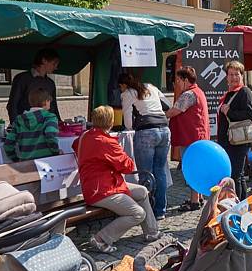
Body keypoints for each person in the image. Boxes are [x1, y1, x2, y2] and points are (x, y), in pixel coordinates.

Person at [74, 106, 160, 253]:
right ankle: (101, 238)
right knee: (138, 213)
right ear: (111, 121)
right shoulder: (105, 142)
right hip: (103, 190)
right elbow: (127, 166)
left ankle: (152, 231)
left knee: (142, 191)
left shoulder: (86, 136)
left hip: (98, 185)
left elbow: (75, 145)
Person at [119, 72, 170, 220]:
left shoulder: (128, 93)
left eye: (120, 87)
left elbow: (128, 122)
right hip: (164, 130)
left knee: (146, 173)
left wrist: (131, 127)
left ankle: (147, 212)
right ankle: (160, 210)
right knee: (160, 170)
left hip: (146, 131)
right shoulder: (151, 87)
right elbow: (167, 104)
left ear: (124, 85)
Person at [166, 67, 209, 212]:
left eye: (178, 80)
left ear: (185, 80)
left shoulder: (188, 95)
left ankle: (194, 201)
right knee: (199, 167)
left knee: (192, 169)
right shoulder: (199, 91)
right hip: (199, 136)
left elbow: (173, 112)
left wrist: (157, 114)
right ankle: (200, 197)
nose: (177, 83)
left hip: (191, 138)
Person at [217, 61, 252, 199]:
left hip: (239, 142)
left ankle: (236, 206)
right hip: (229, 141)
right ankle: (243, 204)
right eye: (231, 74)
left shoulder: (244, 92)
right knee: (238, 175)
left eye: (237, 74)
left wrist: (230, 112)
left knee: (235, 175)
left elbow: (251, 115)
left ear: (242, 76)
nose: (234, 77)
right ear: (226, 77)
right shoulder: (229, 94)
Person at [6, 48, 61, 124]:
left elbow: (53, 106)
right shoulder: (22, 79)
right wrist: (16, 126)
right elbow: (13, 105)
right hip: (25, 126)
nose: (56, 67)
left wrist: (59, 122)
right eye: (54, 63)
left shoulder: (50, 83)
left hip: (45, 127)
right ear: (44, 60)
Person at [4, 88, 60, 162]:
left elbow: (8, 144)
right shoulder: (49, 117)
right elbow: (50, 135)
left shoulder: (19, 120)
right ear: (46, 102)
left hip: (25, 162)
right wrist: (56, 152)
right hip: (46, 162)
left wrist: (15, 159)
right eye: (49, 101)